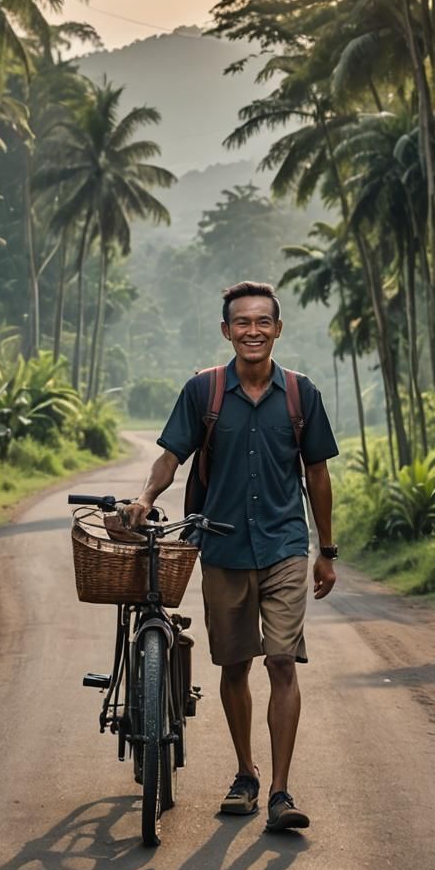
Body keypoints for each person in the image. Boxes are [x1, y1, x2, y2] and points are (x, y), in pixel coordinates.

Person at [123, 280, 339, 832]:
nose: (252, 331)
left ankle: (281, 794)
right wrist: (146, 497)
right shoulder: (205, 392)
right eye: (241, 322)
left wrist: (326, 550)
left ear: (277, 329)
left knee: (283, 661)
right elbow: (172, 455)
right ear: (227, 331)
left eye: (262, 321)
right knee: (234, 664)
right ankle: (246, 773)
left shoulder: (301, 394)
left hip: (285, 545)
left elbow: (317, 474)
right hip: (221, 544)